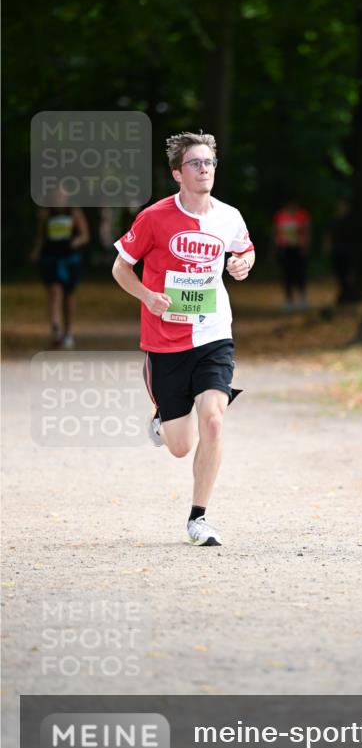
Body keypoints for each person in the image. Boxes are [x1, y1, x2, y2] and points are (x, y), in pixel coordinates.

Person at [112, 131, 255, 547]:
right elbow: (122, 269)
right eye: (195, 163)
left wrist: (243, 263)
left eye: (209, 162)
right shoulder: (154, 217)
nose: (204, 169)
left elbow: (243, 251)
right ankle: (162, 419)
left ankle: (199, 517)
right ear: (177, 172)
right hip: (165, 341)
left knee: (213, 419)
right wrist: (147, 297)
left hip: (214, 334)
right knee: (179, 446)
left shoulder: (229, 216)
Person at [29, 189, 90, 348]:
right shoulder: (47, 213)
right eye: (56, 195)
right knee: (55, 291)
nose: (59, 198)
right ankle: (56, 329)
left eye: (62, 195)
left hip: (70, 259)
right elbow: (41, 235)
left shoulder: (73, 212)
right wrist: (36, 251)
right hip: (51, 257)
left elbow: (84, 235)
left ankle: (68, 332)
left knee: (69, 297)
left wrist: (75, 242)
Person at [272, 200, 310, 310]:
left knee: (300, 273)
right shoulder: (280, 215)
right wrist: (275, 247)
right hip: (284, 249)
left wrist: (305, 246)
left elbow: (306, 231)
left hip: (298, 248)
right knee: (286, 275)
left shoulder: (302, 215)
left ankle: (302, 298)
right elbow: (276, 231)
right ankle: (289, 300)